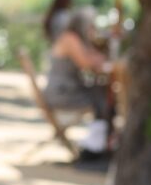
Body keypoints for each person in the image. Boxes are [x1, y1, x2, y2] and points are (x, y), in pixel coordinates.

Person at [44, 8, 119, 155]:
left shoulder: (75, 39)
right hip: (62, 93)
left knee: (101, 93)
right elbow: (87, 63)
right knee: (101, 97)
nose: (93, 29)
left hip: (69, 89)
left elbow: (94, 59)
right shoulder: (70, 39)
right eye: (91, 26)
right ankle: (96, 146)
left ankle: (100, 142)